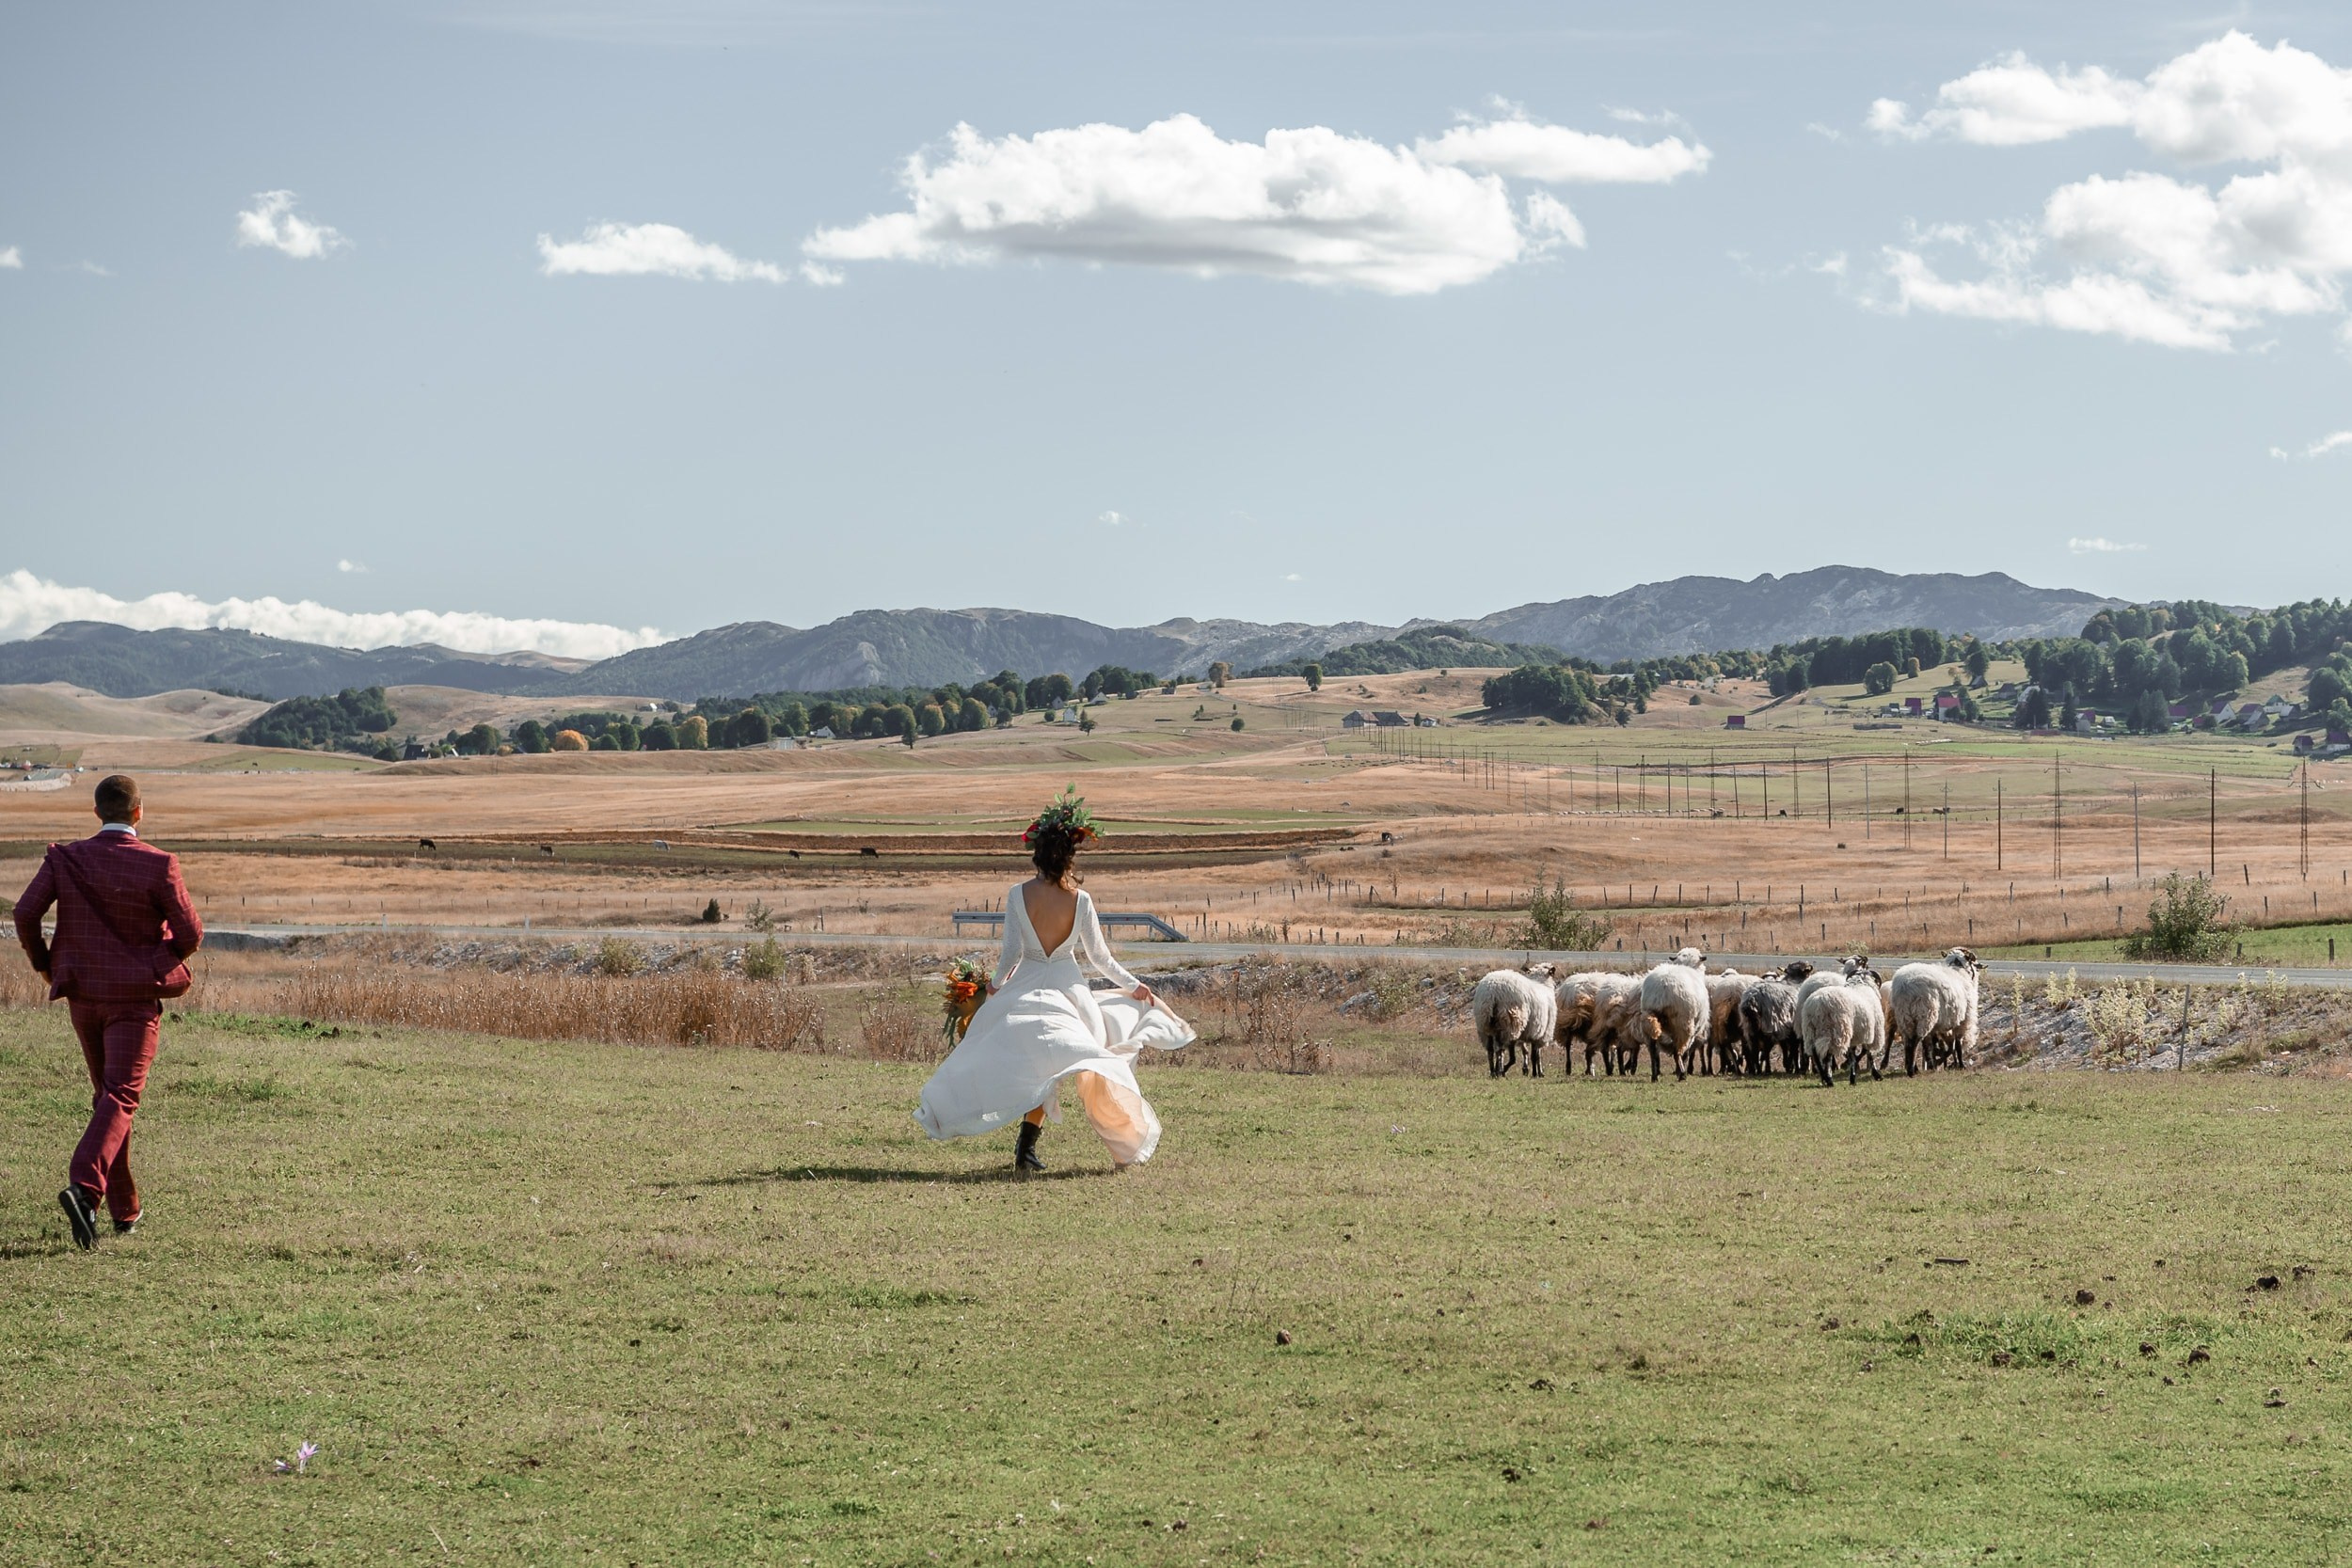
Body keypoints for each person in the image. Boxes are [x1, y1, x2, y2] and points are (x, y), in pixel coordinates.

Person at [915, 786, 1192, 1171]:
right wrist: (1133, 986)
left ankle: (1025, 1148)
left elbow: (1010, 954)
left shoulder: (1017, 895)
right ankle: (1032, 1149)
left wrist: (994, 986)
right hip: (1070, 991)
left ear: (1038, 854)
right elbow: (1100, 958)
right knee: (1067, 1062)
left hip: (1026, 986)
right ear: (1069, 856)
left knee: (1028, 1063)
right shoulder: (1082, 900)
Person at [12, 774, 202, 1250]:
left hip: (83, 997)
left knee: (108, 1100)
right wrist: (154, 961)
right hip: (134, 1001)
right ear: (139, 812)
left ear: (97, 813)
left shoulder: (66, 858)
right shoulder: (159, 865)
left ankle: (124, 1210)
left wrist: (46, 964)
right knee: (121, 1096)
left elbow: (24, 913)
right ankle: (84, 1187)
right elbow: (191, 933)